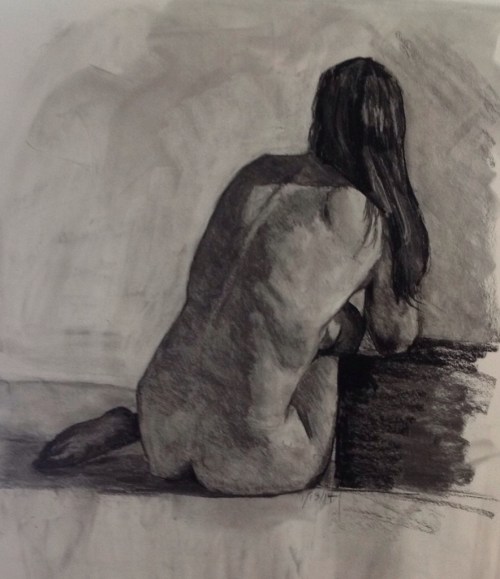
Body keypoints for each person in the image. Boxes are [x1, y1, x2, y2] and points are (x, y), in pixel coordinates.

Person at [34, 57, 430, 496]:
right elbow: (394, 337)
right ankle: (224, 421)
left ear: (322, 113)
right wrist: (349, 321)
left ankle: (133, 424)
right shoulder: (373, 221)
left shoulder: (258, 174)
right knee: (335, 333)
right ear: (388, 133)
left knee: (259, 317)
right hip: (255, 459)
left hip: (161, 427)